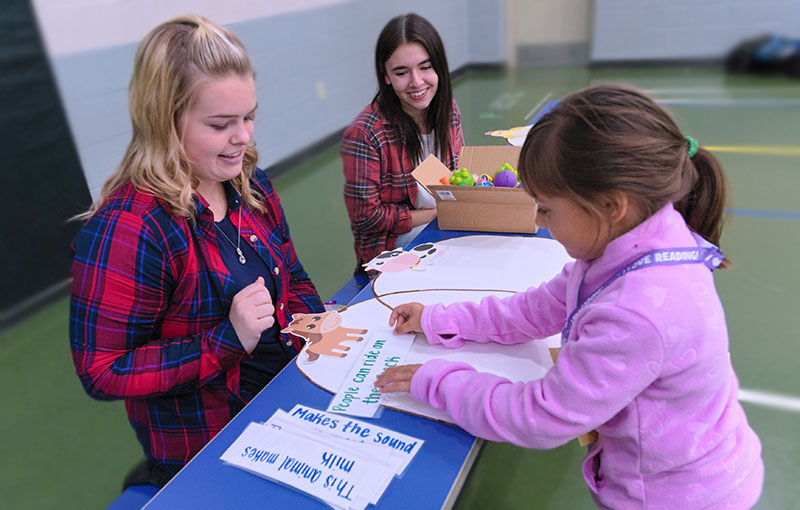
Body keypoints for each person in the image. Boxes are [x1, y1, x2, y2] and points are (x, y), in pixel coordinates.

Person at [376, 85, 764, 508]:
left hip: (676, 496)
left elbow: (540, 416)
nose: (539, 220)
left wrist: (437, 380)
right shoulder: (626, 242)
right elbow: (535, 309)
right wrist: (439, 319)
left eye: (546, 209)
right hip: (672, 467)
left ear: (610, 205)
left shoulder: (635, 311)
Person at [69, 15, 324, 488]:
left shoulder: (251, 186)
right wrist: (226, 340)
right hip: (209, 447)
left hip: (286, 405)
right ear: (165, 121)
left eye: (249, 116)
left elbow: (293, 276)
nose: (244, 137)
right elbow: (101, 371)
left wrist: (322, 341)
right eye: (221, 124)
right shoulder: (132, 228)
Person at [341, 13, 465, 277]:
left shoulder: (448, 111)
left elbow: (456, 178)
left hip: (443, 224)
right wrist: (437, 213)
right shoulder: (365, 133)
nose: (417, 82)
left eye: (425, 67)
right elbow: (368, 217)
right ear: (385, 76)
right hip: (393, 248)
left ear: (439, 67)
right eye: (401, 72)